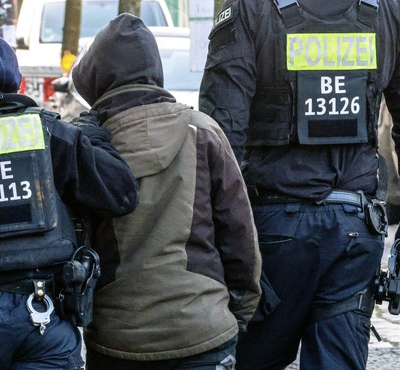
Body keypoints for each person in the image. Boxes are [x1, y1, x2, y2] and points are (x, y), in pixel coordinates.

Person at [199, 1, 400, 369]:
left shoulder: (250, 9)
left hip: (272, 232)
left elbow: (220, 132)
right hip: (355, 229)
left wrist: (221, 240)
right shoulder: (388, 9)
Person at [0, 34, 138, 370]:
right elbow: (121, 194)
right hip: (45, 310)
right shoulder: (53, 135)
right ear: (18, 83)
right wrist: (91, 136)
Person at [70, 13, 262, 370]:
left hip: (117, 339)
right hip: (202, 332)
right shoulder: (202, 131)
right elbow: (240, 237)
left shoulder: (86, 147)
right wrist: (235, 314)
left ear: (97, 79)